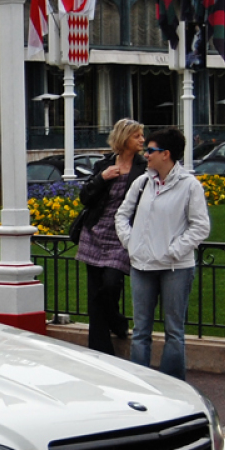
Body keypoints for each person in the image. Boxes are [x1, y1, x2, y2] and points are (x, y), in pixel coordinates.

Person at [115, 128, 210, 380]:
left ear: (166, 154)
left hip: (175, 269)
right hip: (142, 267)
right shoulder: (142, 182)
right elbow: (122, 215)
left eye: (151, 150)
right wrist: (131, 243)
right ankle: (141, 384)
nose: (146, 154)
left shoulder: (190, 186)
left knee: (174, 331)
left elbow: (200, 226)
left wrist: (173, 252)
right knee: (141, 331)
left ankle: (174, 386)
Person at [75, 119, 148, 355]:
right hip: (95, 232)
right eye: (137, 136)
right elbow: (85, 197)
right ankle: (101, 352)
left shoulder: (144, 167)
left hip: (122, 236)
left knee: (110, 284)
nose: (142, 140)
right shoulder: (104, 164)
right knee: (95, 294)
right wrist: (102, 178)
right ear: (124, 138)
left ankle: (116, 320)